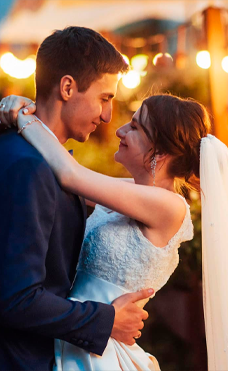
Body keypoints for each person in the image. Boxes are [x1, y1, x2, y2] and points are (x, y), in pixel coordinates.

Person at [2, 90, 228, 370]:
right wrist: (27, 105)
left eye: (135, 127)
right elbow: (64, 177)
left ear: (160, 152)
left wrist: (24, 118)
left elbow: (70, 175)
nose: (119, 130)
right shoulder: (132, 190)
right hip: (77, 328)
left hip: (100, 349)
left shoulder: (169, 206)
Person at [0, 27, 154, 371]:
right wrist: (107, 320)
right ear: (68, 87)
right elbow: (15, 298)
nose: (107, 117)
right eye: (105, 98)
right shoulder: (30, 167)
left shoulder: (28, 153)